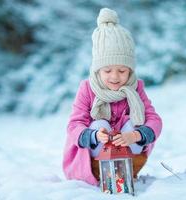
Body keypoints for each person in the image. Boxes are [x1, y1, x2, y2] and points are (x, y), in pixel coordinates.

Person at [62, 8, 162, 186]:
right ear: (97, 70)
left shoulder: (136, 87)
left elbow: (154, 119)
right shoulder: (87, 88)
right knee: (100, 124)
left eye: (122, 71)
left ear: (130, 70)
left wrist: (135, 135)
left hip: (128, 152)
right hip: (95, 155)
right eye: (107, 71)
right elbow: (74, 125)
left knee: (135, 123)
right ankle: (99, 172)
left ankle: (126, 171)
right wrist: (93, 136)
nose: (115, 77)